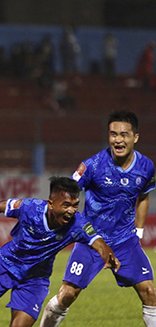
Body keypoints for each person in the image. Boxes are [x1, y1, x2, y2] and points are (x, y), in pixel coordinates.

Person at [40, 110, 156, 327]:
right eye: (113, 134)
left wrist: (138, 233)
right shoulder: (92, 166)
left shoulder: (146, 167)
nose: (118, 139)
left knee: (150, 293)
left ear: (135, 137)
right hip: (92, 241)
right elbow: (67, 194)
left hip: (125, 241)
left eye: (123, 134)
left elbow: (143, 197)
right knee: (67, 295)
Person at [0, 177, 120, 327]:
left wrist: (108, 256)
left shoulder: (78, 224)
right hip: (4, 267)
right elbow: (1, 206)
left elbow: (98, 241)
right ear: (50, 204)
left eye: (75, 205)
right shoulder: (30, 208)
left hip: (35, 280)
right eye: (66, 205)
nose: (71, 211)